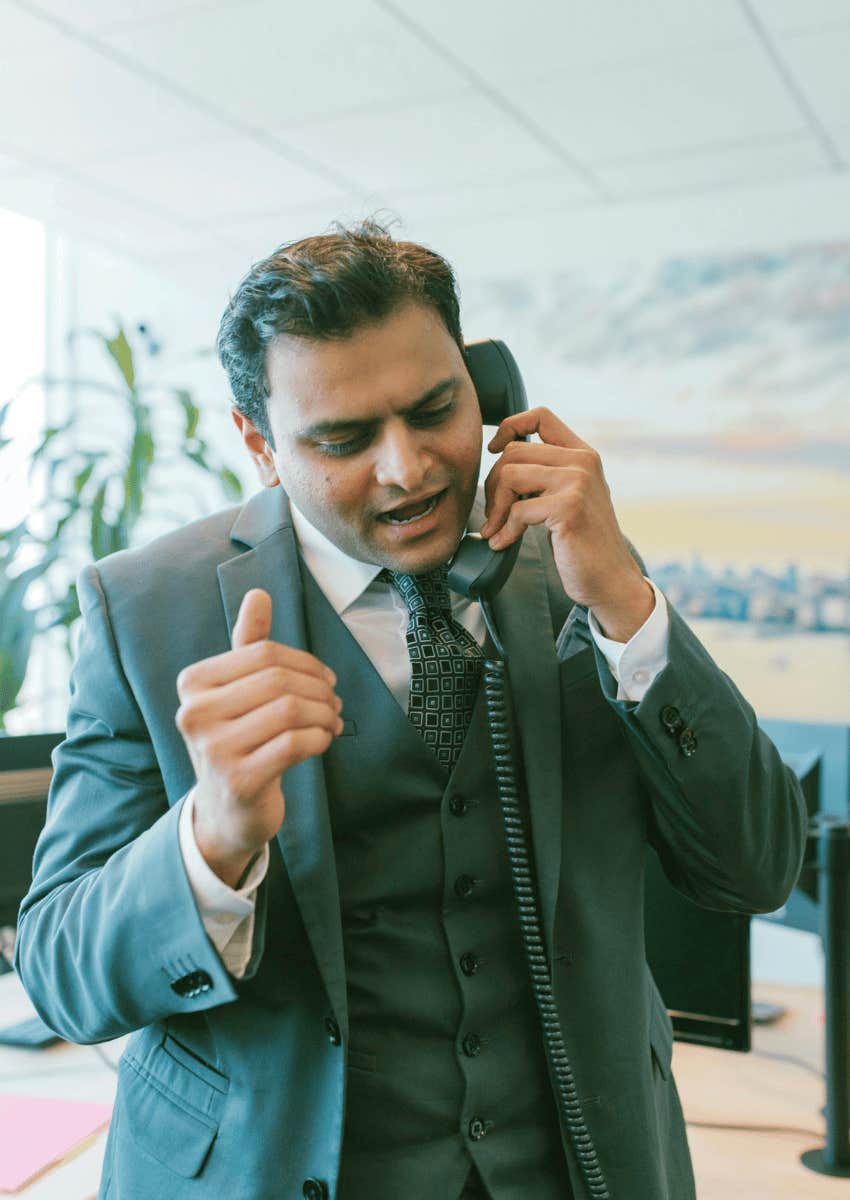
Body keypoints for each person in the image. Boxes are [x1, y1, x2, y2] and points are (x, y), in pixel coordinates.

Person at [15, 220, 807, 1200]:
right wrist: (210, 840)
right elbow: (60, 974)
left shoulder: (577, 564)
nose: (408, 469)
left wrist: (627, 609)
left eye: (436, 410)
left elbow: (757, 865)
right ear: (260, 443)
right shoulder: (146, 609)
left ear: (489, 388)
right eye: (343, 439)